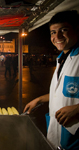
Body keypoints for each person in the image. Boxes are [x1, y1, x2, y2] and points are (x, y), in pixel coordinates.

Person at [23, 10, 79, 150]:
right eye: (53, 32)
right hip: (59, 135)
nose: (57, 36)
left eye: (63, 30)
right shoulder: (62, 58)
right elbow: (65, 92)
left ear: (77, 29)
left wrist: (77, 109)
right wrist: (40, 100)